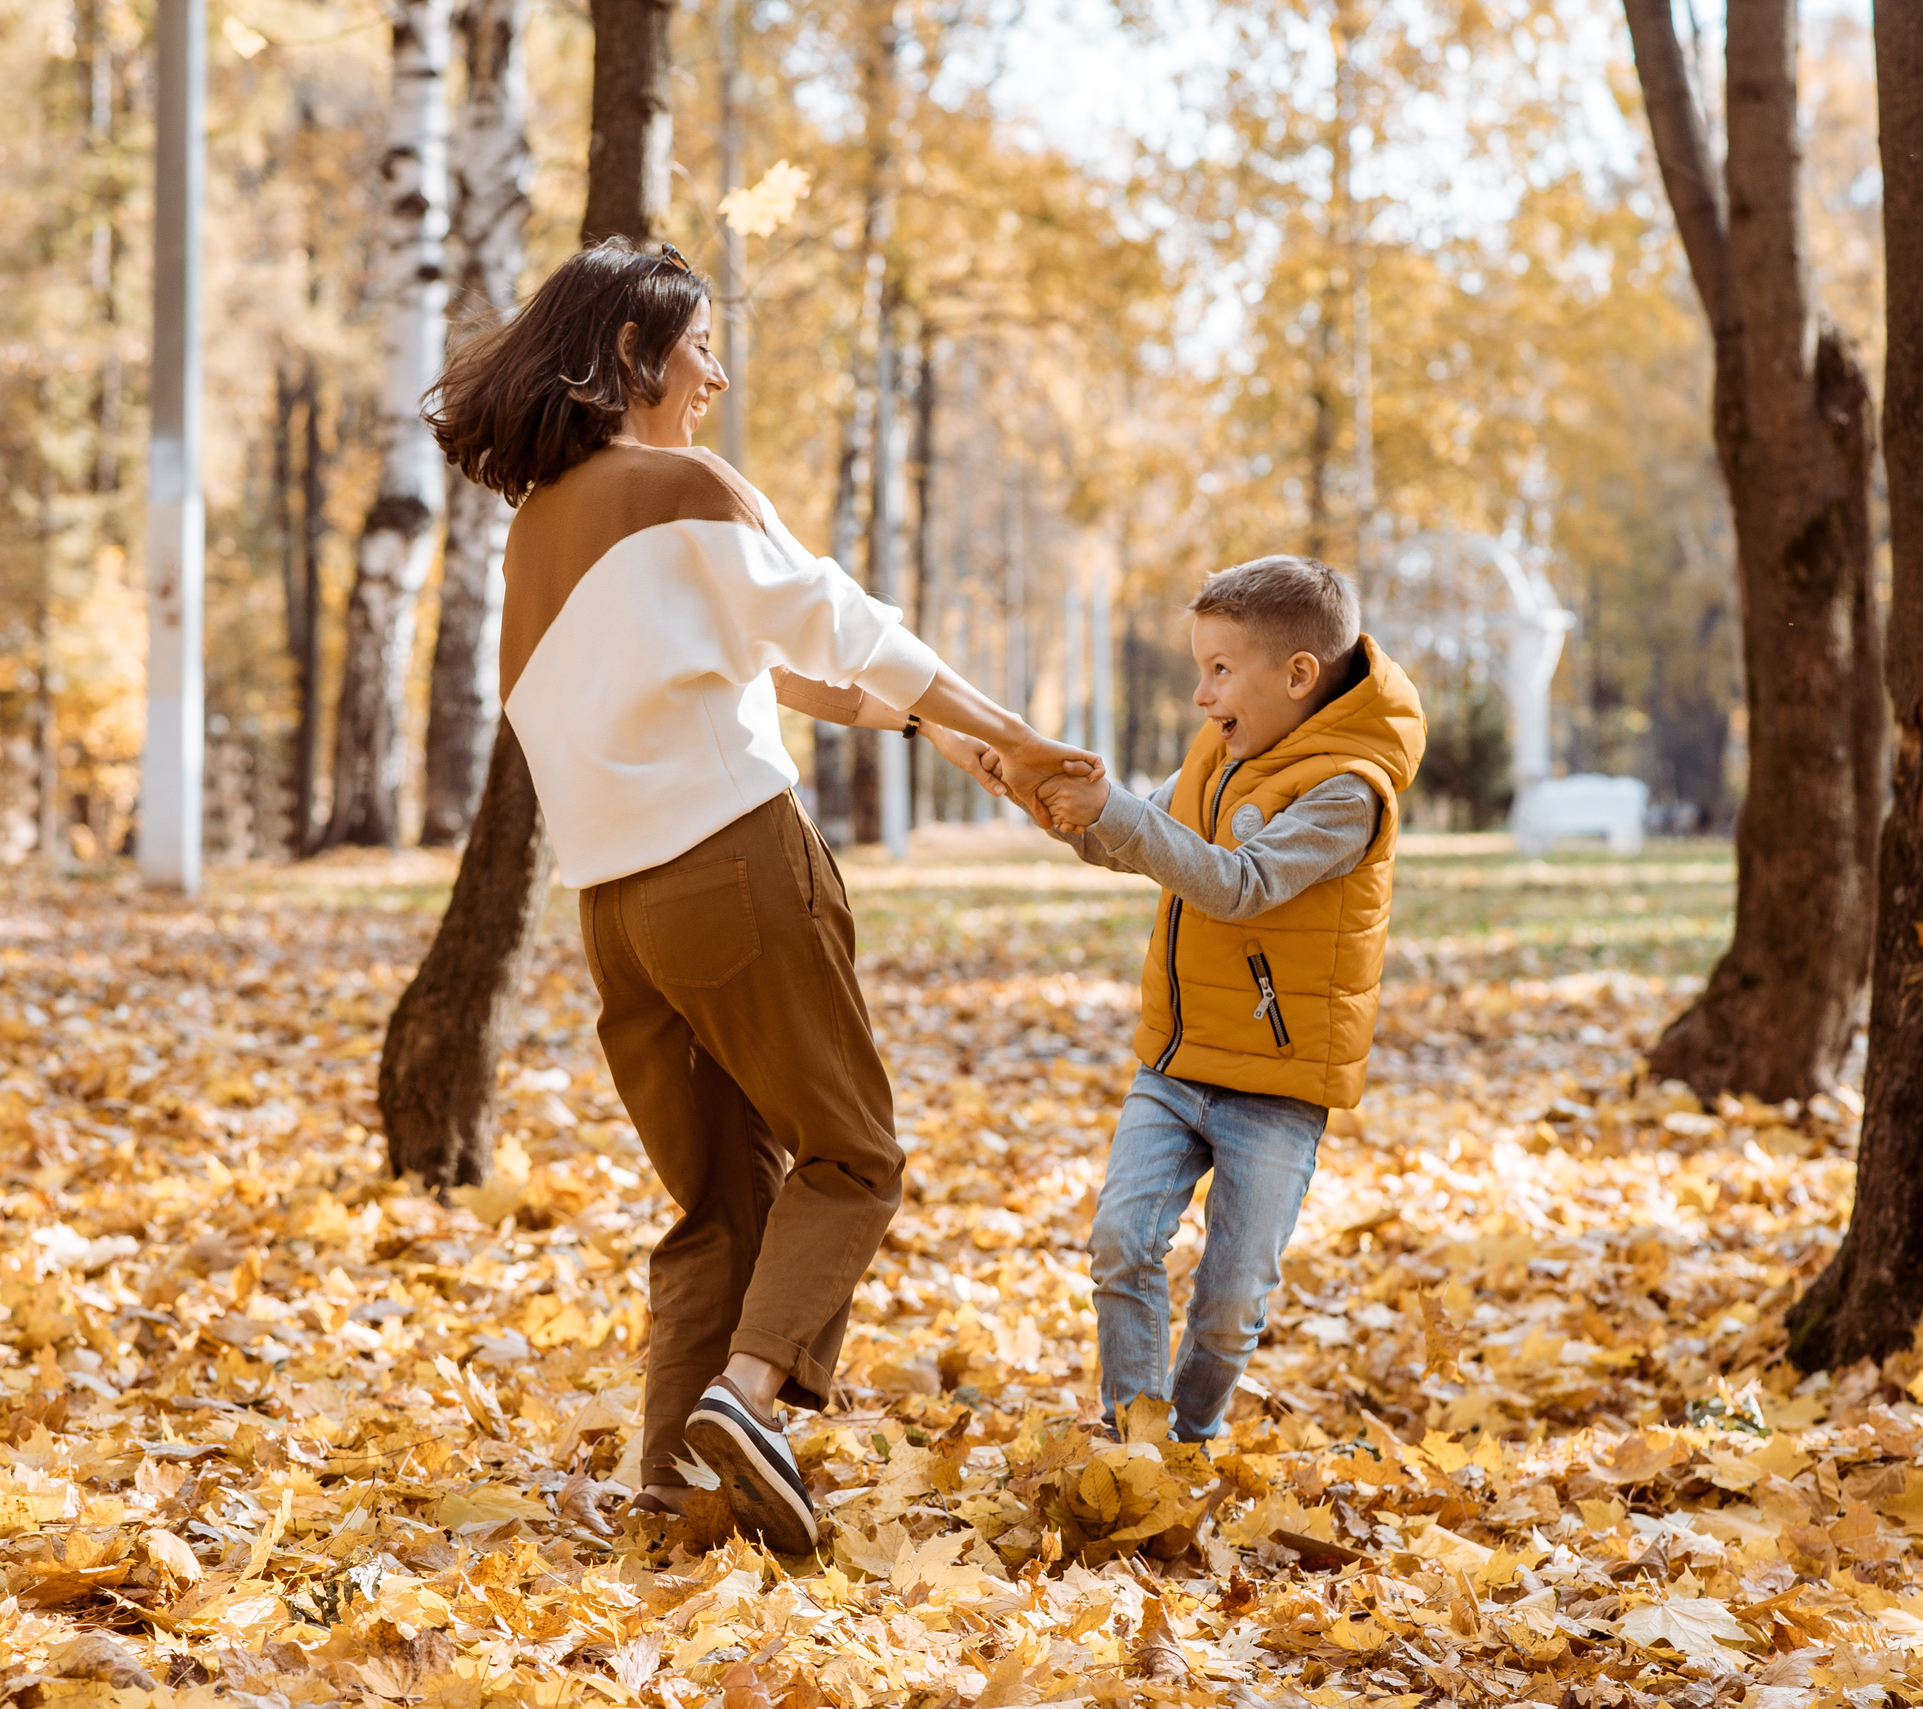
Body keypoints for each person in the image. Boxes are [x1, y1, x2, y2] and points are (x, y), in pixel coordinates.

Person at [426, 238, 1099, 1552]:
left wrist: (947, 742)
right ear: (635, 355)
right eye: (702, 348)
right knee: (854, 1152)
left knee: (718, 1209)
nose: (718, 377)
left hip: (618, 913)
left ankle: (673, 1502)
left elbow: (791, 667)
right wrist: (1014, 735)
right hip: (734, 861)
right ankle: (744, 1403)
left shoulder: (538, 537)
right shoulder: (683, 484)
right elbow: (852, 629)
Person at [1027, 556, 1423, 1442]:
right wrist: (1047, 793)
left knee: (1228, 1306)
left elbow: (1237, 885)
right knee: (1122, 1244)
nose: (1201, 696)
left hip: (1276, 1090)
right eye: (1199, 668)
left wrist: (1118, 811)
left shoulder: (1348, 792)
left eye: (1218, 669)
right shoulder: (1221, 748)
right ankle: (1136, 1444)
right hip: (1175, 1064)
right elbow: (1136, 841)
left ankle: (1193, 1434)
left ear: (1296, 675)